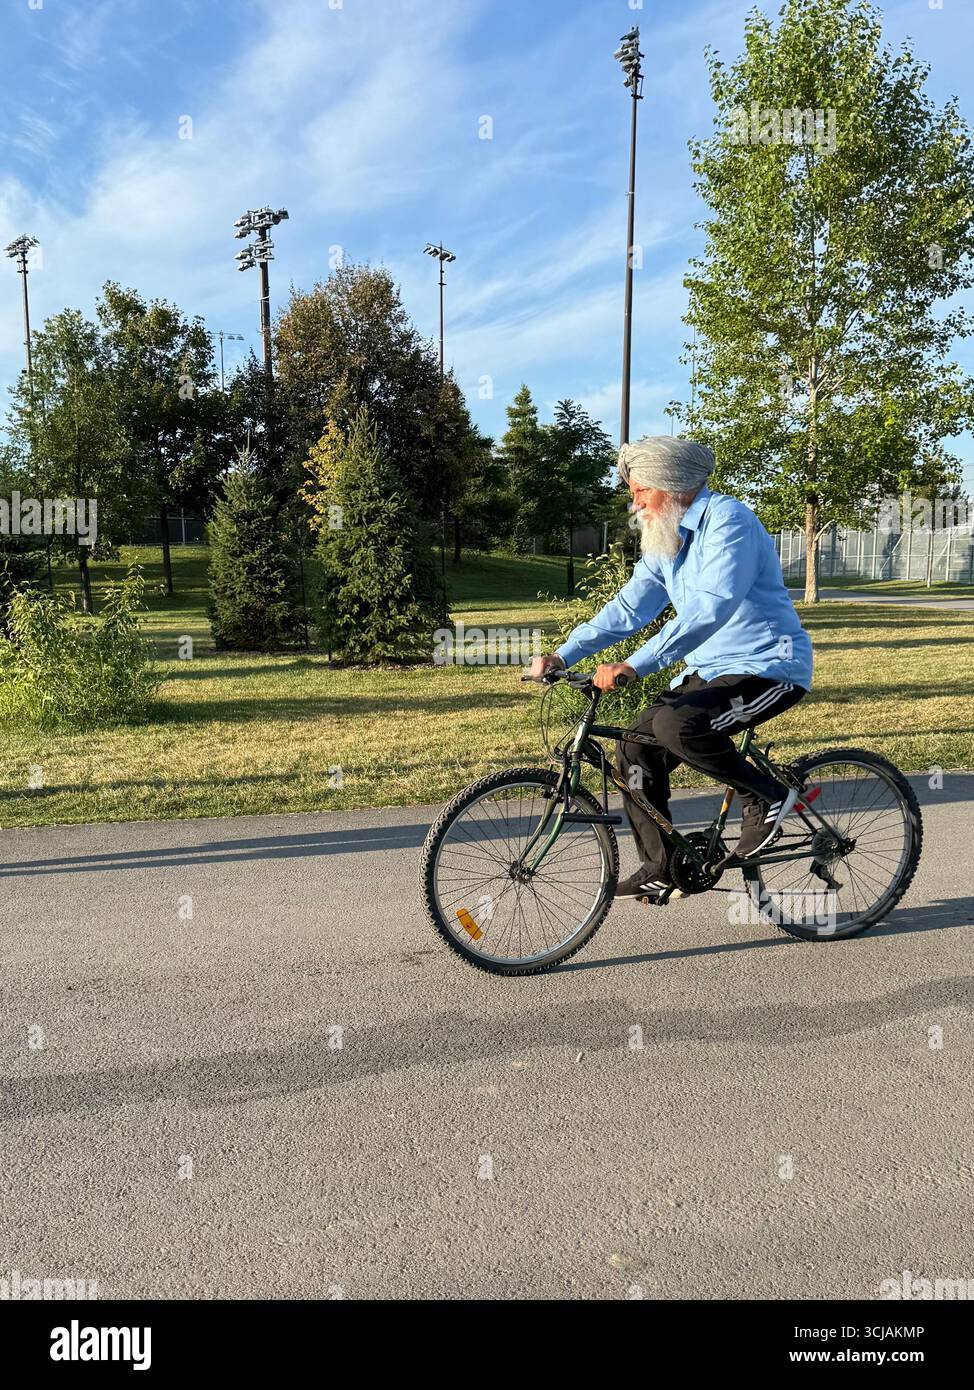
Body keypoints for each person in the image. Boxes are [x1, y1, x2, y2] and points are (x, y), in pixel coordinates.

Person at [529, 436, 812, 904]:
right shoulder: (669, 534)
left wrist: (635, 665)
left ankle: (767, 796)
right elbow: (629, 609)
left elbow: (708, 609)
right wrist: (564, 655)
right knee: (634, 746)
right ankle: (662, 865)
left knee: (678, 724)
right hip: (710, 671)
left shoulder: (730, 522)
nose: (634, 500)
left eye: (641, 490)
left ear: (673, 485)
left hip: (768, 667)